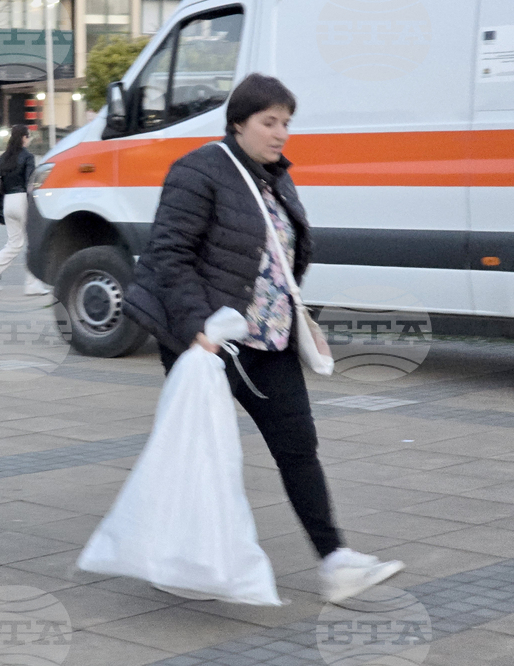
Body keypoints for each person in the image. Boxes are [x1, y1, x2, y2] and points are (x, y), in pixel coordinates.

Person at [133, 73, 404, 603]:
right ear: (238, 123)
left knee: (298, 446)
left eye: (286, 123)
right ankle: (182, 559)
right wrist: (197, 331)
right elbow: (169, 254)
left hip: (269, 339)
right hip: (212, 341)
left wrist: (302, 317)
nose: (280, 133)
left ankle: (335, 561)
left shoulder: (274, 177)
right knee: (203, 453)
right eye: (269, 122)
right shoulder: (198, 171)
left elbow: (277, 261)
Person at [0, 124, 50, 296]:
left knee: (13, 244)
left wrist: (1, 210)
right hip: (22, 200)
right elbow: (30, 185)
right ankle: (32, 285)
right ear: (24, 137)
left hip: (8, 202)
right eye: (28, 136)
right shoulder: (28, 157)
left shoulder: (3, 158)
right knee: (34, 243)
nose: (29, 139)